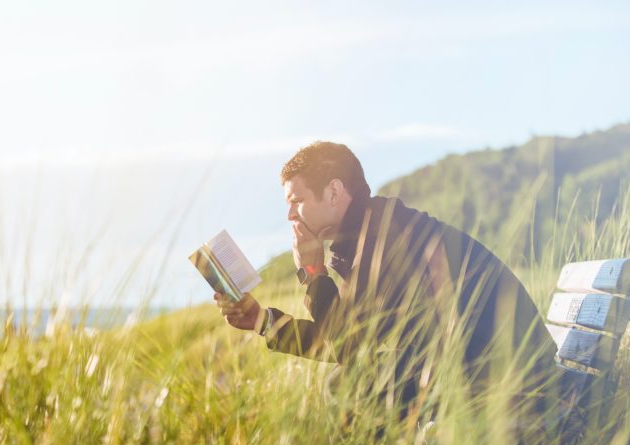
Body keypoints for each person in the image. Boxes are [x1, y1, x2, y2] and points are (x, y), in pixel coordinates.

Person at [215, 141, 559, 430]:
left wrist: (314, 273)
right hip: (488, 372)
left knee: (349, 386)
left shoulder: (386, 239)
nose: (290, 215)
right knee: (351, 382)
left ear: (334, 191)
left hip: (515, 384)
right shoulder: (370, 233)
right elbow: (350, 341)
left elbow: (347, 346)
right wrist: (262, 320)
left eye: (296, 201)